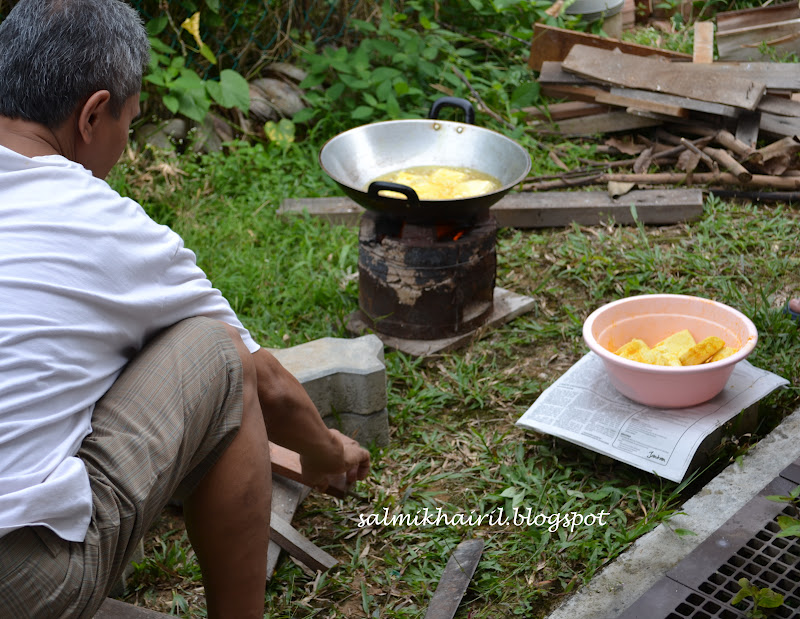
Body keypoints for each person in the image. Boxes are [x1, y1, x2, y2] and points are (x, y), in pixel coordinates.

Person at [0, 1, 371, 617]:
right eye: (128, 122)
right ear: (92, 115)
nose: (124, 146)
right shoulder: (104, 224)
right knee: (218, 354)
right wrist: (327, 453)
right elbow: (268, 384)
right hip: (21, 579)